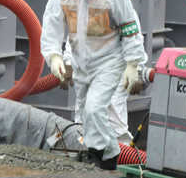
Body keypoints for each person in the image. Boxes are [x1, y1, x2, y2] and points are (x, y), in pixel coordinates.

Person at [40, 0, 146, 170]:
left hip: (110, 62)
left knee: (95, 109)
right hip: (81, 65)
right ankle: (109, 156)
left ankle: (103, 156)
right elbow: (53, 27)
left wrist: (134, 66)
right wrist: (57, 58)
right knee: (85, 115)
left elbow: (131, 30)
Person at [61, 10, 148, 146]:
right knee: (83, 118)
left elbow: (134, 39)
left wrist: (137, 68)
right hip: (87, 70)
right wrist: (68, 63)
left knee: (114, 120)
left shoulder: (121, 6)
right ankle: (84, 157)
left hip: (116, 70)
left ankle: (121, 157)